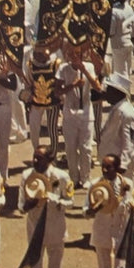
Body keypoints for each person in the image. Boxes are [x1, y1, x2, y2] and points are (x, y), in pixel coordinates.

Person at [84, 153, 134, 268]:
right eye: (103, 166)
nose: (104, 170)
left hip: (121, 231)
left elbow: (131, 205)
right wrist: (91, 210)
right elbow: (85, 210)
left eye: (108, 167)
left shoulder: (127, 184)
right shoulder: (95, 185)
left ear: (117, 168)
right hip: (102, 230)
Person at [17, 145, 74, 268]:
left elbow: (71, 202)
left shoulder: (62, 176)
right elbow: (20, 206)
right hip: (34, 228)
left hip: (56, 230)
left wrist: (57, 201)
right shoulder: (27, 176)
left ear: (49, 160)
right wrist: (28, 206)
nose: (35, 161)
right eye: (34, 157)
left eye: (40, 158)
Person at [55, 51, 100, 189]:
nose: (75, 58)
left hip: (86, 113)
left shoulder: (89, 67)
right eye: (72, 55)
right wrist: (73, 85)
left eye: (78, 55)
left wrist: (84, 71)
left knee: (86, 148)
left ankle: (85, 177)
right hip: (70, 114)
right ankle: (74, 177)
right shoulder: (63, 69)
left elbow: (97, 87)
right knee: (70, 148)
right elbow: (57, 91)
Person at [98, 73, 134, 178]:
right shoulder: (117, 108)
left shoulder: (127, 113)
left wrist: (123, 164)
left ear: (116, 92)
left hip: (120, 164)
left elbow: (129, 141)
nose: (105, 93)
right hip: (112, 162)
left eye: (108, 90)